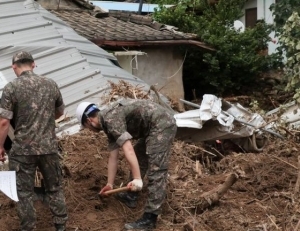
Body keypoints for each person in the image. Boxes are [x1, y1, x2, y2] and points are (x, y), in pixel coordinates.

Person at [76, 99, 177, 230]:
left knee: (157, 170)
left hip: (162, 124)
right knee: (139, 154)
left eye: (86, 127)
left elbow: (127, 148)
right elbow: (113, 157)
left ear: (89, 121)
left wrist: (138, 178)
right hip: (151, 128)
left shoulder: (111, 119)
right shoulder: (107, 124)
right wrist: (109, 184)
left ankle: (150, 218)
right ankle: (131, 195)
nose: (89, 130)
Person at [0, 51, 68, 231]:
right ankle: (60, 227)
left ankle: (28, 228)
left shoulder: (11, 88)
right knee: (55, 189)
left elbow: (4, 121)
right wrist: (44, 120)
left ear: (14, 67)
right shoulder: (51, 84)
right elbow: (61, 112)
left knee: (24, 193)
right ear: (33, 64)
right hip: (49, 148)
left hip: (23, 151)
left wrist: (0, 146)